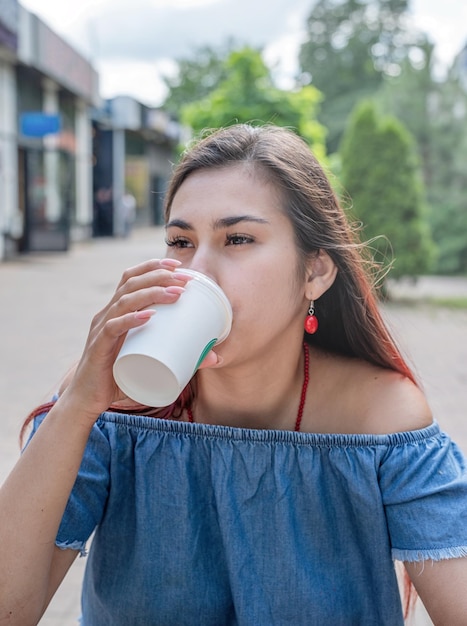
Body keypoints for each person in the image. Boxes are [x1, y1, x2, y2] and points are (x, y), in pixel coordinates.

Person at [1, 123, 467, 625]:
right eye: (180, 241)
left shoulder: (380, 417)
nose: (197, 270)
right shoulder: (110, 405)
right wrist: (76, 406)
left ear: (315, 272)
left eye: (238, 238)